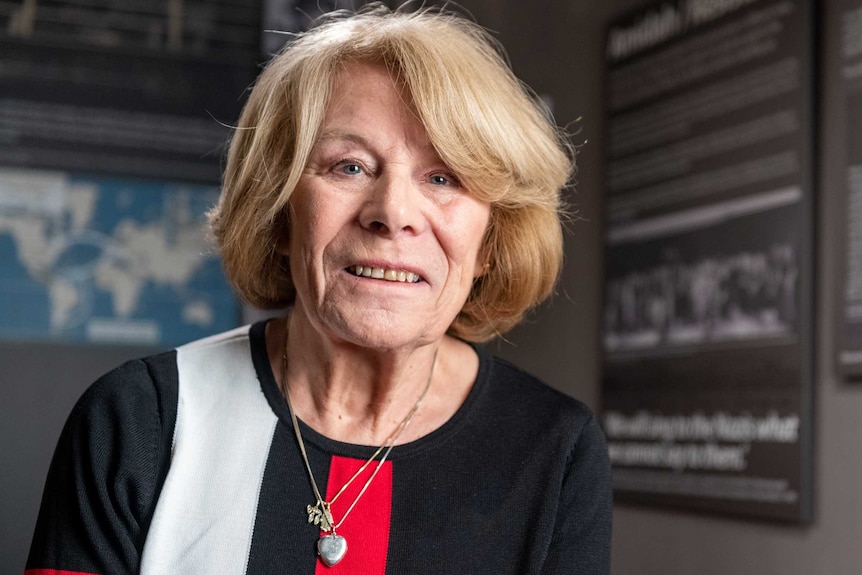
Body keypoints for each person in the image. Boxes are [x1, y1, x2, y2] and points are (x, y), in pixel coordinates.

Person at [25, 5, 612, 574]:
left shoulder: (554, 449)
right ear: (279, 213)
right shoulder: (139, 419)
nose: (393, 213)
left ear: (489, 242)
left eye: (444, 177)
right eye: (349, 167)